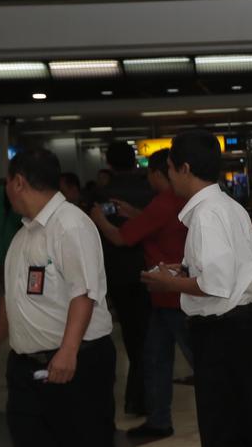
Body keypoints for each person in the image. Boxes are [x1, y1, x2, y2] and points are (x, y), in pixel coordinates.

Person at [0, 147, 116, 447]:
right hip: (27, 368)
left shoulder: (70, 224)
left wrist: (68, 352)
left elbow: (85, 293)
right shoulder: (23, 235)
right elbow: (11, 298)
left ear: (17, 182)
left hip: (75, 363)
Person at [140, 130, 252, 447]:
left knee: (223, 428)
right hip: (239, 328)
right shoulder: (229, 206)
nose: (168, 176)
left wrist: (168, 282)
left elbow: (216, 284)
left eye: (169, 168)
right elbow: (251, 266)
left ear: (184, 168)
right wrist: (184, 269)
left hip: (222, 334)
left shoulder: (207, 214)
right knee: (244, 423)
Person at [90, 149, 192, 439]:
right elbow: (162, 227)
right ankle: (159, 419)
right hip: (171, 293)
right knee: (156, 358)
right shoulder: (178, 201)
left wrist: (99, 219)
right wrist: (136, 215)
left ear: (161, 174)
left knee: (164, 359)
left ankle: (163, 419)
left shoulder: (162, 202)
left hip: (169, 295)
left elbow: (120, 237)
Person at [93, 141, 154, 416]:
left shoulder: (101, 194)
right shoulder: (150, 191)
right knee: (149, 336)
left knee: (132, 336)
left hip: (117, 273)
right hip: (150, 270)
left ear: (109, 163)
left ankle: (137, 395)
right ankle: (141, 395)